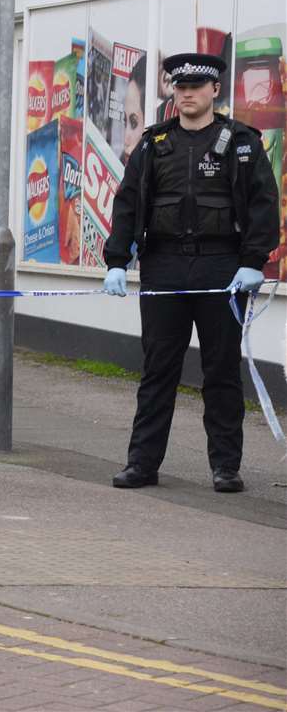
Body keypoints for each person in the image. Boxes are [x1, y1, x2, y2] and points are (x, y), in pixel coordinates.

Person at [103, 51, 278, 493]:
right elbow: (126, 205)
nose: (186, 95)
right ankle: (141, 464)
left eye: (195, 88)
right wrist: (116, 261)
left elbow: (263, 205)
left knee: (220, 370)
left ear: (214, 91)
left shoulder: (241, 143)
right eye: (180, 88)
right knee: (158, 370)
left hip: (222, 268)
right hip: (164, 268)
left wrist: (254, 262)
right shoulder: (153, 143)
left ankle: (225, 467)